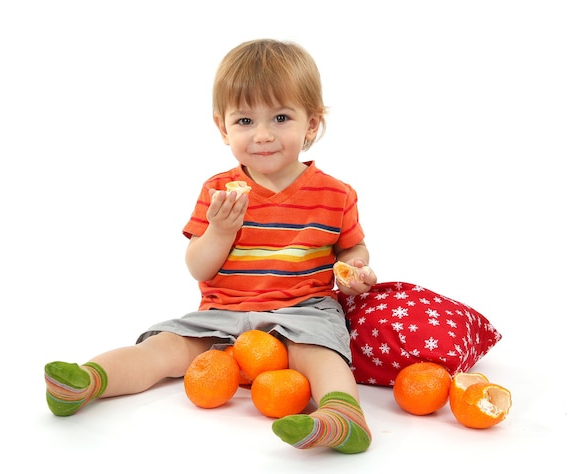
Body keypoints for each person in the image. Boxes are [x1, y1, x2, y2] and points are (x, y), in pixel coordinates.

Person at [44, 38, 377, 455]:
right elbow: (199, 269)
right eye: (244, 122)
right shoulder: (218, 191)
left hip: (303, 309)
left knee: (322, 355)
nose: (262, 135)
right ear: (222, 127)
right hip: (223, 310)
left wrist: (356, 268)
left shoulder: (336, 194)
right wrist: (219, 231)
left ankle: (343, 416)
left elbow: (352, 248)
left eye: (280, 117)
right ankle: (88, 381)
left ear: (311, 124)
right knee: (163, 349)